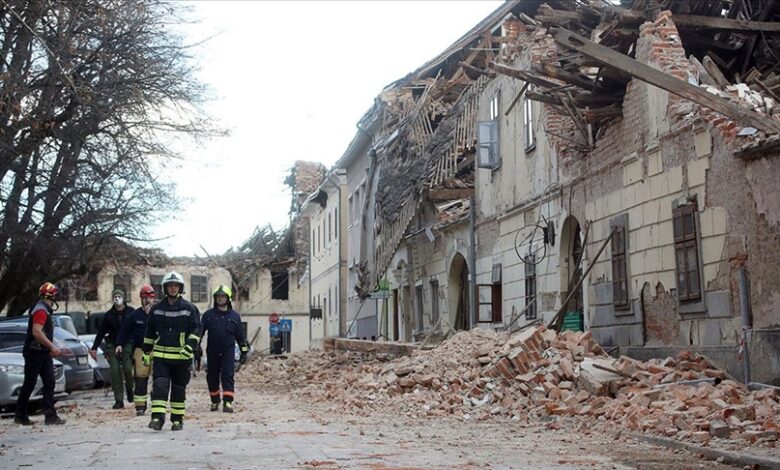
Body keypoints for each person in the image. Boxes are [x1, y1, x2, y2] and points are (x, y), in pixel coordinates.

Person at [141, 271, 201, 431]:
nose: (173, 288)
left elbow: (196, 331)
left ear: (180, 288)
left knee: (178, 389)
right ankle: (157, 419)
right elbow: (150, 332)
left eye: (176, 286)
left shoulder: (190, 308)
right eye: (170, 285)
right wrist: (145, 351)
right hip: (161, 357)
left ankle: (177, 420)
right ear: (165, 288)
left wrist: (190, 347)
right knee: (159, 387)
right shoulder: (156, 309)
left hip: (182, 358)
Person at [14, 282, 66, 425]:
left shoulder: (42, 309)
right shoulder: (41, 311)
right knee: (30, 383)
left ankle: (50, 415)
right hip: (34, 352)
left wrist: (50, 348)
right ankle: (20, 415)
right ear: (53, 296)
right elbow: (36, 332)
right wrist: (52, 346)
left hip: (42, 352)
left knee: (49, 381)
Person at [200, 285, 249, 413]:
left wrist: (244, 351)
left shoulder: (235, 317)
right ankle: (215, 400)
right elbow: (199, 332)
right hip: (212, 352)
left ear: (228, 298)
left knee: (228, 375)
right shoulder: (208, 315)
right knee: (212, 376)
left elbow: (240, 336)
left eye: (222, 296)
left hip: (228, 351)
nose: (220, 299)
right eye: (218, 296)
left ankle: (228, 402)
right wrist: (196, 346)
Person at [116, 285, 156, 415]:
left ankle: (157, 404)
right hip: (141, 351)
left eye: (149, 298)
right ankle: (140, 406)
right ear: (141, 299)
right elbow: (124, 330)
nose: (147, 301)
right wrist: (119, 344)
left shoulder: (158, 313)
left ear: (153, 299)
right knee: (140, 377)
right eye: (144, 298)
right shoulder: (135, 315)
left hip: (157, 349)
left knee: (159, 377)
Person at [91, 288, 134, 409]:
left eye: (119, 296)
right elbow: (101, 333)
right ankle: (118, 400)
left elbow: (137, 328)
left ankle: (130, 389)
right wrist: (94, 348)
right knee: (115, 372)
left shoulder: (131, 312)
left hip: (127, 345)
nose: (117, 298)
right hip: (113, 345)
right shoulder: (109, 315)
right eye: (115, 296)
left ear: (123, 297)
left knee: (128, 369)